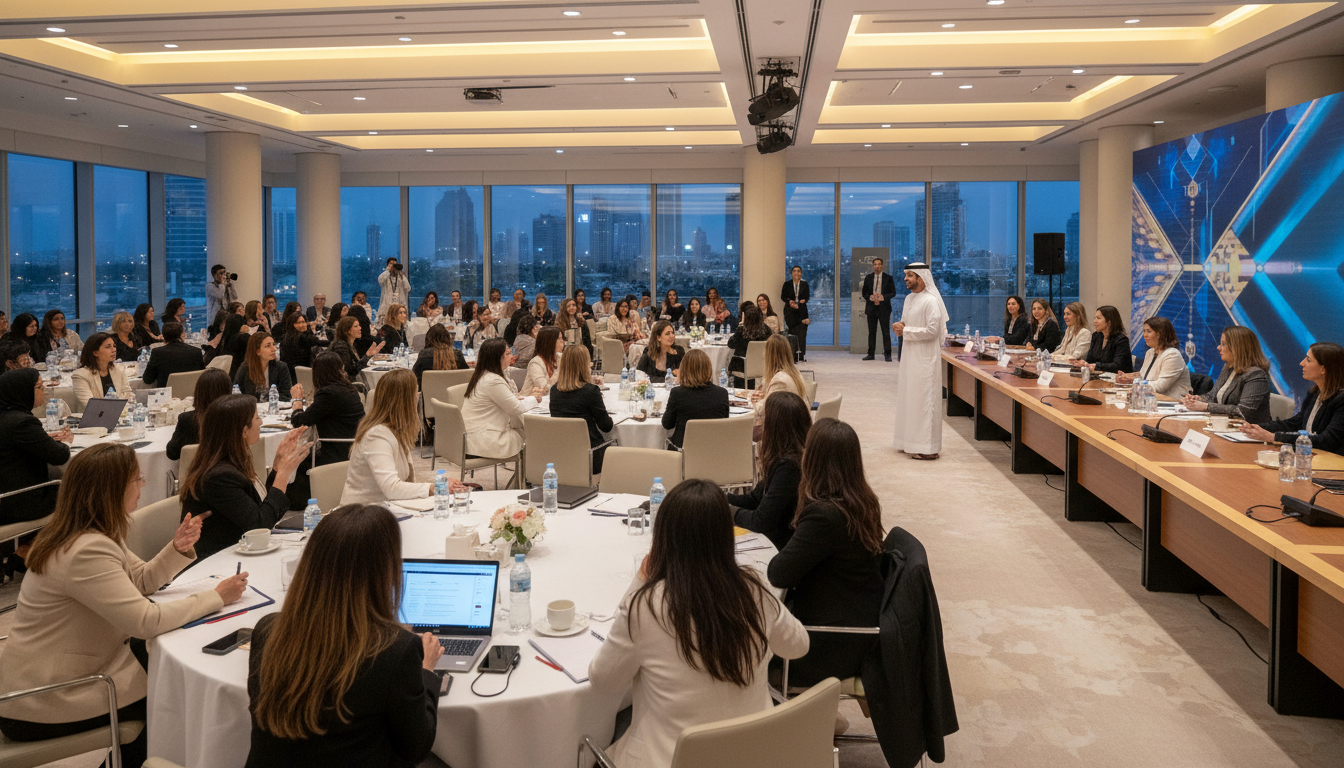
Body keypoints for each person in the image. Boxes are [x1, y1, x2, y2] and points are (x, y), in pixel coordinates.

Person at [0, 443, 247, 768]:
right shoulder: (85, 550)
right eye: (137, 479)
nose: (143, 485)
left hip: (60, 672)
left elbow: (140, 580)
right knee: (172, 701)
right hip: (43, 697)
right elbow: (145, 621)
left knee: (166, 684)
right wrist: (216, 597)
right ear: (112, 489)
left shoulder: (89, 531)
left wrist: (177, 548)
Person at [589, 479, 808, 768]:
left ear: (663, 537)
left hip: (671, 759)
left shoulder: (645, 606)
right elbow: (798, 646)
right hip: (751, 755)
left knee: (603, 732)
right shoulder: (754, 591)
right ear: (725, 536)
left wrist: (640, 582)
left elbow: (603, 681)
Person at [244, 503, 443, 768]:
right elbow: (416, 747)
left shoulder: (268, 630)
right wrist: (426, 671)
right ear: (385, 571)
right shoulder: (396, 650)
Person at [767, 417, 884, 687]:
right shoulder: (862, 501)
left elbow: (778, 573)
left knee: (752, 654)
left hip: (831, 641)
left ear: (813, 460)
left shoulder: (825, 516)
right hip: (858, 628)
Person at [179, 394, 310, 559]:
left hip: (240, 550)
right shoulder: (218, 476)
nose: (261, 422)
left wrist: (277, 467)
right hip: (218, 561)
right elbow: (260, 525)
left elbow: (259, 507)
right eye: (257, 418)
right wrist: (283, 474)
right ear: (244, 431)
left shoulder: (228, 463)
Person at [341, 369, 451, 505]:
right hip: (362, 512)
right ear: (405, 401)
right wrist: (433, 488)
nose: (418, 396)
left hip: (385, 508)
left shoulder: (396, 430)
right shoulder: (376, 435)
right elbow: (392, 488)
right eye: (415, 393)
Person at [729, 391, 808, 549]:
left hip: (781, 545)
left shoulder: (790, 467)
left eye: (764, 420)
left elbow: (761, 521)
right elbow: (755, 499)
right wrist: (718, 498)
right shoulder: (784, 456)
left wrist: (728, 511)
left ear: (775, 427)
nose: (761, 426)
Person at [891, 262, 950, 460]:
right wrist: (900, 326)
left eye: (909, 275)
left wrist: (906, 330)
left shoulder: (931, 301)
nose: (905, 278)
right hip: (910, 357)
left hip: (926, 360)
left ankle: (927, 448)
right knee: (910, 398)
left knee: (924, 401)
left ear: (921, 278)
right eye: (905, 275)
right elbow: (907, 323)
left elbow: (933, 331)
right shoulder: (909, 298)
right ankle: (908, 441)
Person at [1242, 342, 1344, 453]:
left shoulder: (1341, 400)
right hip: (1310, 455)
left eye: (1308, 360)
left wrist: (1273, 437)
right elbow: (1295, 423)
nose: (1302, 363)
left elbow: (1327, 441)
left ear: (1323, 369)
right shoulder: (1314, 393)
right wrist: (1256, 428)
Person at [0, 368, 71, 526]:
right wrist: (64, 441)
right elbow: (60, 456)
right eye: (39, 387)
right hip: (19, 502)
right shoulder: (21, 422)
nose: (43, 391)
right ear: (22, 391)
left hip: (6, 496)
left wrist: (42, 440)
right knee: (82, 488)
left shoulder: (6, 416)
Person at [461, 339, 538, 461]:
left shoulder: (482, 375)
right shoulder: (493, 380)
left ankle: (529, 472)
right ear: (497, 358)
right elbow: (516, 408)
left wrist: (516, 398)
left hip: (473, 436)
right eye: (507, 354)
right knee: (532, 437)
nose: (511, 356)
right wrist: (535, 398)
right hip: (485, 440)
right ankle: (533, 471)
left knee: (525, 431)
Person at [1181, 326, 1273, 424]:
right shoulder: (1228, 367)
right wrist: (1199, 399)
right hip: (1226, 425)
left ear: (1237, 347)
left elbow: (1243, 411)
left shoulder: (1256, 375)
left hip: (1249, 430)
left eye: (1223, 344)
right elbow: (1213, 396)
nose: (1218, 347)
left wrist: (1204, 406)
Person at [291, 352, 365, 467]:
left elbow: (300, 422)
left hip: (336, 453)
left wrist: (297, 401)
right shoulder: (349, 389)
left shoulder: (328, 394)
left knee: (294, 461)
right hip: (355, 449)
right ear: (341, 368)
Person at [548, 346, 614, 474]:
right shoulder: (591, 391)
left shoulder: (554, 391)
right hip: (591, 456)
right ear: (584, 365)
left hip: (562, 455)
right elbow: (606, 426)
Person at [661, 349, 729, 449]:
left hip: (682, 450)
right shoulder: (722, 393)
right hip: (714, 449)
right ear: (708, 369)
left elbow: (667, 424)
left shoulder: (677, 393)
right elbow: (724, 424)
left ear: (683, 370)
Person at [167, 367, 231, 462]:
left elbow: (172, 453)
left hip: (195, 470)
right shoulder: (236, 417)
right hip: (233, 469)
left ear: (198, 392)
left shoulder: (187, 420)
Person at [1118, 316, 1192, 397]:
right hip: (1151, 399)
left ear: (1160, 334)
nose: (1145, 335)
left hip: (1173, 402)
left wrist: (1133, 381)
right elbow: (1144, 376)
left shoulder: (1172, 355)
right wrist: (1127, 377)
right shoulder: (1150, 352)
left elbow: (1160, 386)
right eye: (1144, 331)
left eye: (1149, 331)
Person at [750, 335, 806, 429]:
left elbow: (766, 412)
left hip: (784, 430)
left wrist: (756, 402)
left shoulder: (780, 381)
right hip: (796, 425)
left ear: (769, 355)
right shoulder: (795, 372)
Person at [235, 332, 303, 402]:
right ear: (258, 351)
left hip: (276, 407)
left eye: (273, 344)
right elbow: (236, 394)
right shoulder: (245, 368)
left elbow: (286, 395)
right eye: (268, 346)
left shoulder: (281, 367)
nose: (274, 349)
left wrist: (267, 397)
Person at [72, 332, 133, 409]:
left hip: (121, 413)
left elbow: (129, 395)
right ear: (95, 353)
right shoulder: (81, 375)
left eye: (114, 346)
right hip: (95, 416)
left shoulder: (118, 369)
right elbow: (91, 405)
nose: (114, 350)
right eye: (108, 347)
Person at [141, 321, 205, 388]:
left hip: (166, 393)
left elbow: (147, 380)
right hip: (192, 392)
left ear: (163, 336)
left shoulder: (157, 352)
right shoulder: (196, 352)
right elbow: (202, 377)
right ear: (182, 335)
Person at [1073, 305, 1133, 374]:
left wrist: (1095, 366)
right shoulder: (1096, 336)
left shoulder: (1121, 340)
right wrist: (1083, 363)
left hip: (1116, 377)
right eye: (1095, 318)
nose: (1095, 321)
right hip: (1097, 376)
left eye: (1098, 318)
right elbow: (1090, 360)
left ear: (1109, 322)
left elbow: (1117, 365)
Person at [727, 304, 772, 387]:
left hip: (742, 367)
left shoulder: (742, 330)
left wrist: (740, 325)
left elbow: (730, 344)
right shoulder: (766, 330)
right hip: (761, 365)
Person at [862, 258, 898, 361]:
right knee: (871, 332)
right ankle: (871, 354)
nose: (877, 266)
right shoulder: (868, 278)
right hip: (871, 308)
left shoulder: (888, 278)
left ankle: (887, 354)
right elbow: (864, 293)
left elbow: (893, 293)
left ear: (882, 265)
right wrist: (870, 297)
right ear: (873, 266)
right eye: (875, 264)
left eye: (879, 264)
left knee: (885, 332)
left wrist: (883, 297)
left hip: (884, 308)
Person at [330, 315, 384, 382]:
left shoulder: (351, 345)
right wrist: (367, 356)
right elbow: (349, 371)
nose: (360, 328)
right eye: (356, 326)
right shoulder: (341, 346)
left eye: (359, 326)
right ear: (347, 330)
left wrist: (367, 356)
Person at [279, 311, 330, 378]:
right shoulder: (303, 338)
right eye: (299, 323)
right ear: (292, 325)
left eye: (304, 322)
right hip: (303, 374)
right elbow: (321, 342)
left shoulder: (285, 338)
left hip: (289, 375)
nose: (303, 325)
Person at [523, 327, 563, 397]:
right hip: (533, 401)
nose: (563, 342)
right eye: (559, 339)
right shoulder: (535, 363)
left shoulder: (560, 357)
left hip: (554, 398)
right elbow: (544, 389)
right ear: (550, 342)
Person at [782, 265, 810, 362]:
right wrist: (789, 301)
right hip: (790, 311)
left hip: (802, 311)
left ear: (801, 273)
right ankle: (792, 355)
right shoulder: (787, 284)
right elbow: (783, 297)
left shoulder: (805, 284)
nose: (796, 273)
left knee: (802, 333)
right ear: (791, 273)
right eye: (794, 271)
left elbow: (807, 296)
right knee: (792, 332)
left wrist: (804, 300)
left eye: (798, 271)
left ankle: (801, 355)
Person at [377, 257, 411, 324]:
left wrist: (401, 274)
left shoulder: (400, 276)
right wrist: (388, 270)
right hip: (387, 303)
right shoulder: (385, 275)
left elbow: (408, 288)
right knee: (386, 322)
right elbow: (380, 281)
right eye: (391, 264)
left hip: (398, 303)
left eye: (395, 264)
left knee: (399, 322)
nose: (393, 266)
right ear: (388, 265)